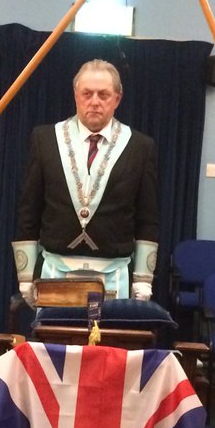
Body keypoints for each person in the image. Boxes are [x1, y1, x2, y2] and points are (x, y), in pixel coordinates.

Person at [13, 59, 159, 303]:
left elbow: (148, 217)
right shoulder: (45, 140)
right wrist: (25, 276)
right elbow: (29, 209)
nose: (94, 101)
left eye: (103, 94)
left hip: (115, 274)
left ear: (117, 99)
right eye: (87, 93)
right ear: (76, 96)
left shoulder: (140, 147)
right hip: (55, 272)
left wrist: (143, 279)